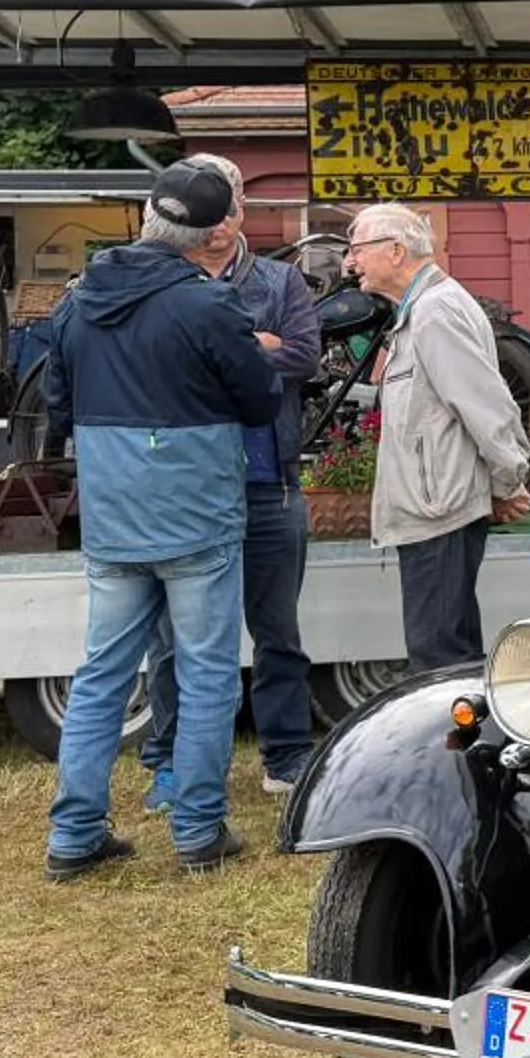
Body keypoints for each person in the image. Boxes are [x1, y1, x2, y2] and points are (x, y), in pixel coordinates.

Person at [39, 162, 284, 880]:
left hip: (112, 508)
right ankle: (198, 831)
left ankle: (74, 834)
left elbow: (58, 407)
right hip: (196, 510)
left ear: (147, 217)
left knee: (101, 675)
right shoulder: (207, 306)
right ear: (211, 233)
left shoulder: (78, 302)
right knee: (207, 672)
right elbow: (261, 401)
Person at [138, 154, 323, 808]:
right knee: (172, 639)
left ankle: (287, 756)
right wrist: (257, 344)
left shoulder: (280, 280)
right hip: (184, 489)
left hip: (269, 483)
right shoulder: (158, 280)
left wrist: (239, 344)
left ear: (241, 209)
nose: (216, 225)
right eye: (203, 213)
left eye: (226, 208)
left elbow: (305, 355)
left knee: (278, 632)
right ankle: (171, 762)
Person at [342, 203, 530, 672]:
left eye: (358, 249)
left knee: (439, 663)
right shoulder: (426, 308)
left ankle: (453, 747)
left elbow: (486, 405)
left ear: (396, 251)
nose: (351, 262)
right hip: (436, 507)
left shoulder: (435, 311)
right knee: (450, 655)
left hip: (438, 511)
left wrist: (507, 483)